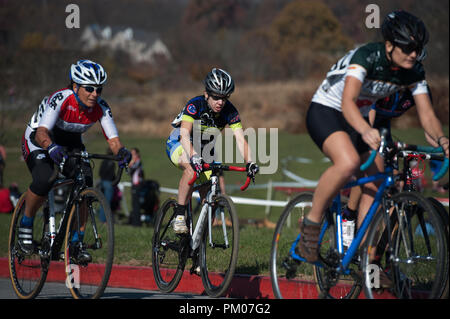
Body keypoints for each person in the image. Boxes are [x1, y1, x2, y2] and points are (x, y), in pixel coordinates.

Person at [299, 10, 449, 263]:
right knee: (348, 163)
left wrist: (443, 140)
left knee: (377, 180)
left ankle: (364, 255)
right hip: (328, 110)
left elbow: (427, 116)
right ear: (389, 45)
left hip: (359, 116)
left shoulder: (413, 70)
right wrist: (366, 130)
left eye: (418, 48)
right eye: (408, 48)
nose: (414, 54)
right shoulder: (367, 56)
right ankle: (311, 227)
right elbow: (347, 102)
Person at [19, 59, 132, 260]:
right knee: (45, 178)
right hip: (39, 138)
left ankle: (76, 242)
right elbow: (42, 132)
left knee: (85, 186)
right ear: (75, 86)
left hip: (70, 142)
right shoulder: (61, 98)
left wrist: (122, 152)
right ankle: (26, 223)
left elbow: (113, 140)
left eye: (99, 89)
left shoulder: (101, 107)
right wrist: (51, 147)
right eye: (89, 88)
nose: (94, 94)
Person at [166, 68, 259, 234]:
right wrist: (194, 156)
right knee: (190, 168)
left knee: (210, 193)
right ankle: (179, 216)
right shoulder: (195, 105)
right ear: (206, 94)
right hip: (180, 143)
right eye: (216, 97)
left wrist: (250, 162)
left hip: (205, 149)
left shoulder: (230, 111)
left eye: (224, 98)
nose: (220, 102)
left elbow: (240, 139)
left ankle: (197, 242)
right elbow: (184, 134)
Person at [98, 148, 117, 222]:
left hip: (102, 182)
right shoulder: (112, 163)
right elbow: (113, 175)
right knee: (107, 203)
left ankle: (101, 219)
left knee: (102, 201)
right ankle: (105, 220)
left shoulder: (103, 162)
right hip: (109, 183)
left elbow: (100, 172)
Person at [128, 147, 144, 226]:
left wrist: (130, 163)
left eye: (133, 154)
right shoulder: (135, 162)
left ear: (137, 154)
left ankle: (137, 223)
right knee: (134, 204)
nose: (132, 156)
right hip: (134, 185)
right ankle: (135, 222)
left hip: (137, 185)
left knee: (136, 204)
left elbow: (131, 169)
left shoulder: (138, 162)